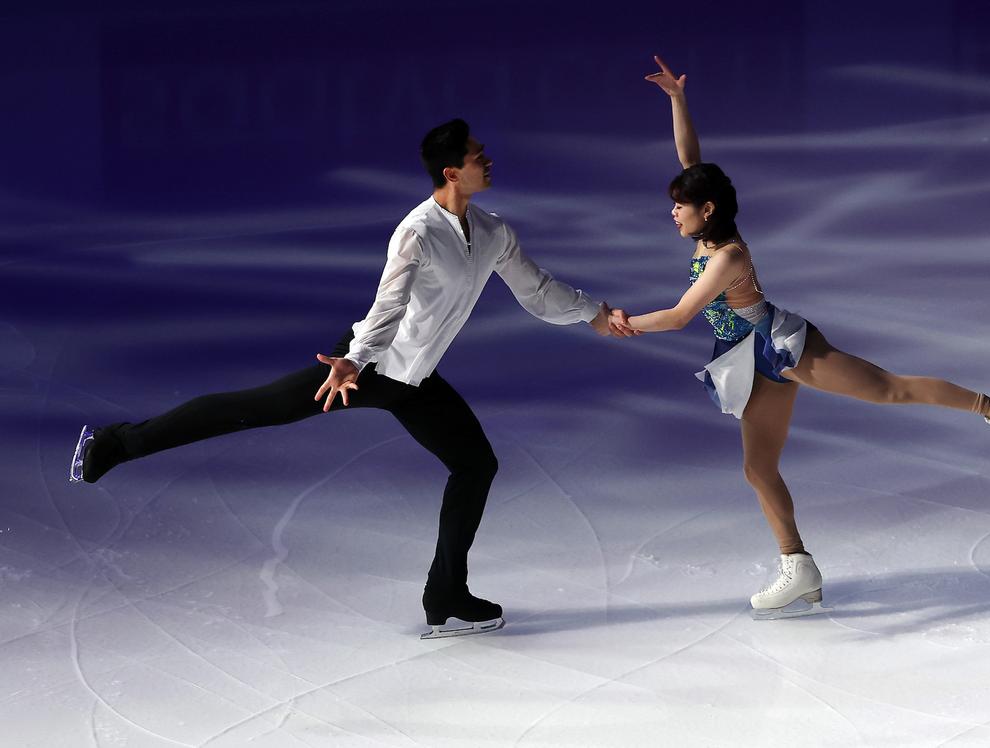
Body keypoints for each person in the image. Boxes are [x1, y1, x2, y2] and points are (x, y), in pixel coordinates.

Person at [70, 118, 632, 639]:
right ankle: (117, 442)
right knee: (255, 407)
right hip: (364, 366)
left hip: (415, 377)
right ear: (451, 172)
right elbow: (389, 304)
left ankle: (446, 598)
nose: (489, 160)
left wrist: (593, 312)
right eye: (478, 156)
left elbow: (535, 289)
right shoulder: (416, 231)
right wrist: (356, 360)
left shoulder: (490, 230)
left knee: (475, 464)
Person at [608, 57, 990, 619]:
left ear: (708, 210)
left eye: (680, 205)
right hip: (748, 360)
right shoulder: (711, 227)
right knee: (758, 468)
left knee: (888, 390)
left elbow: (677, 318)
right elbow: (690, 158)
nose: (672, 212)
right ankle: (798, 566)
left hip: (782, 347)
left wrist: (621, 322)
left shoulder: (728, 254)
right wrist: (677, 99)